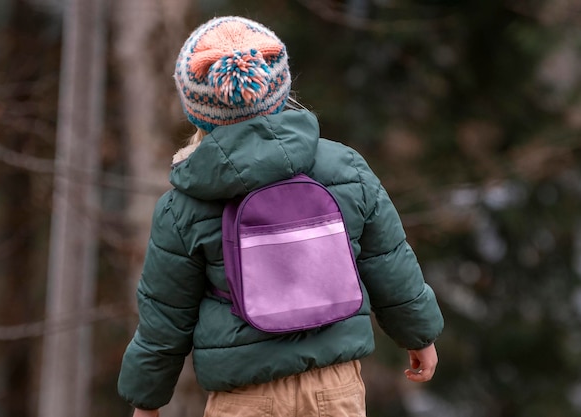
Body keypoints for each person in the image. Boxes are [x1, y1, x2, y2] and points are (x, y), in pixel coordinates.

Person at [117, 15, 444, 417]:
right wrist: (419, 335)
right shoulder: (345, 168)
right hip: (333, 386)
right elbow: (389, 263)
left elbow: (165, 319)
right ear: (281, 88)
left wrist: (146, 400)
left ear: (197, 110)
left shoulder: (184, 204)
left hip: (243, 396)